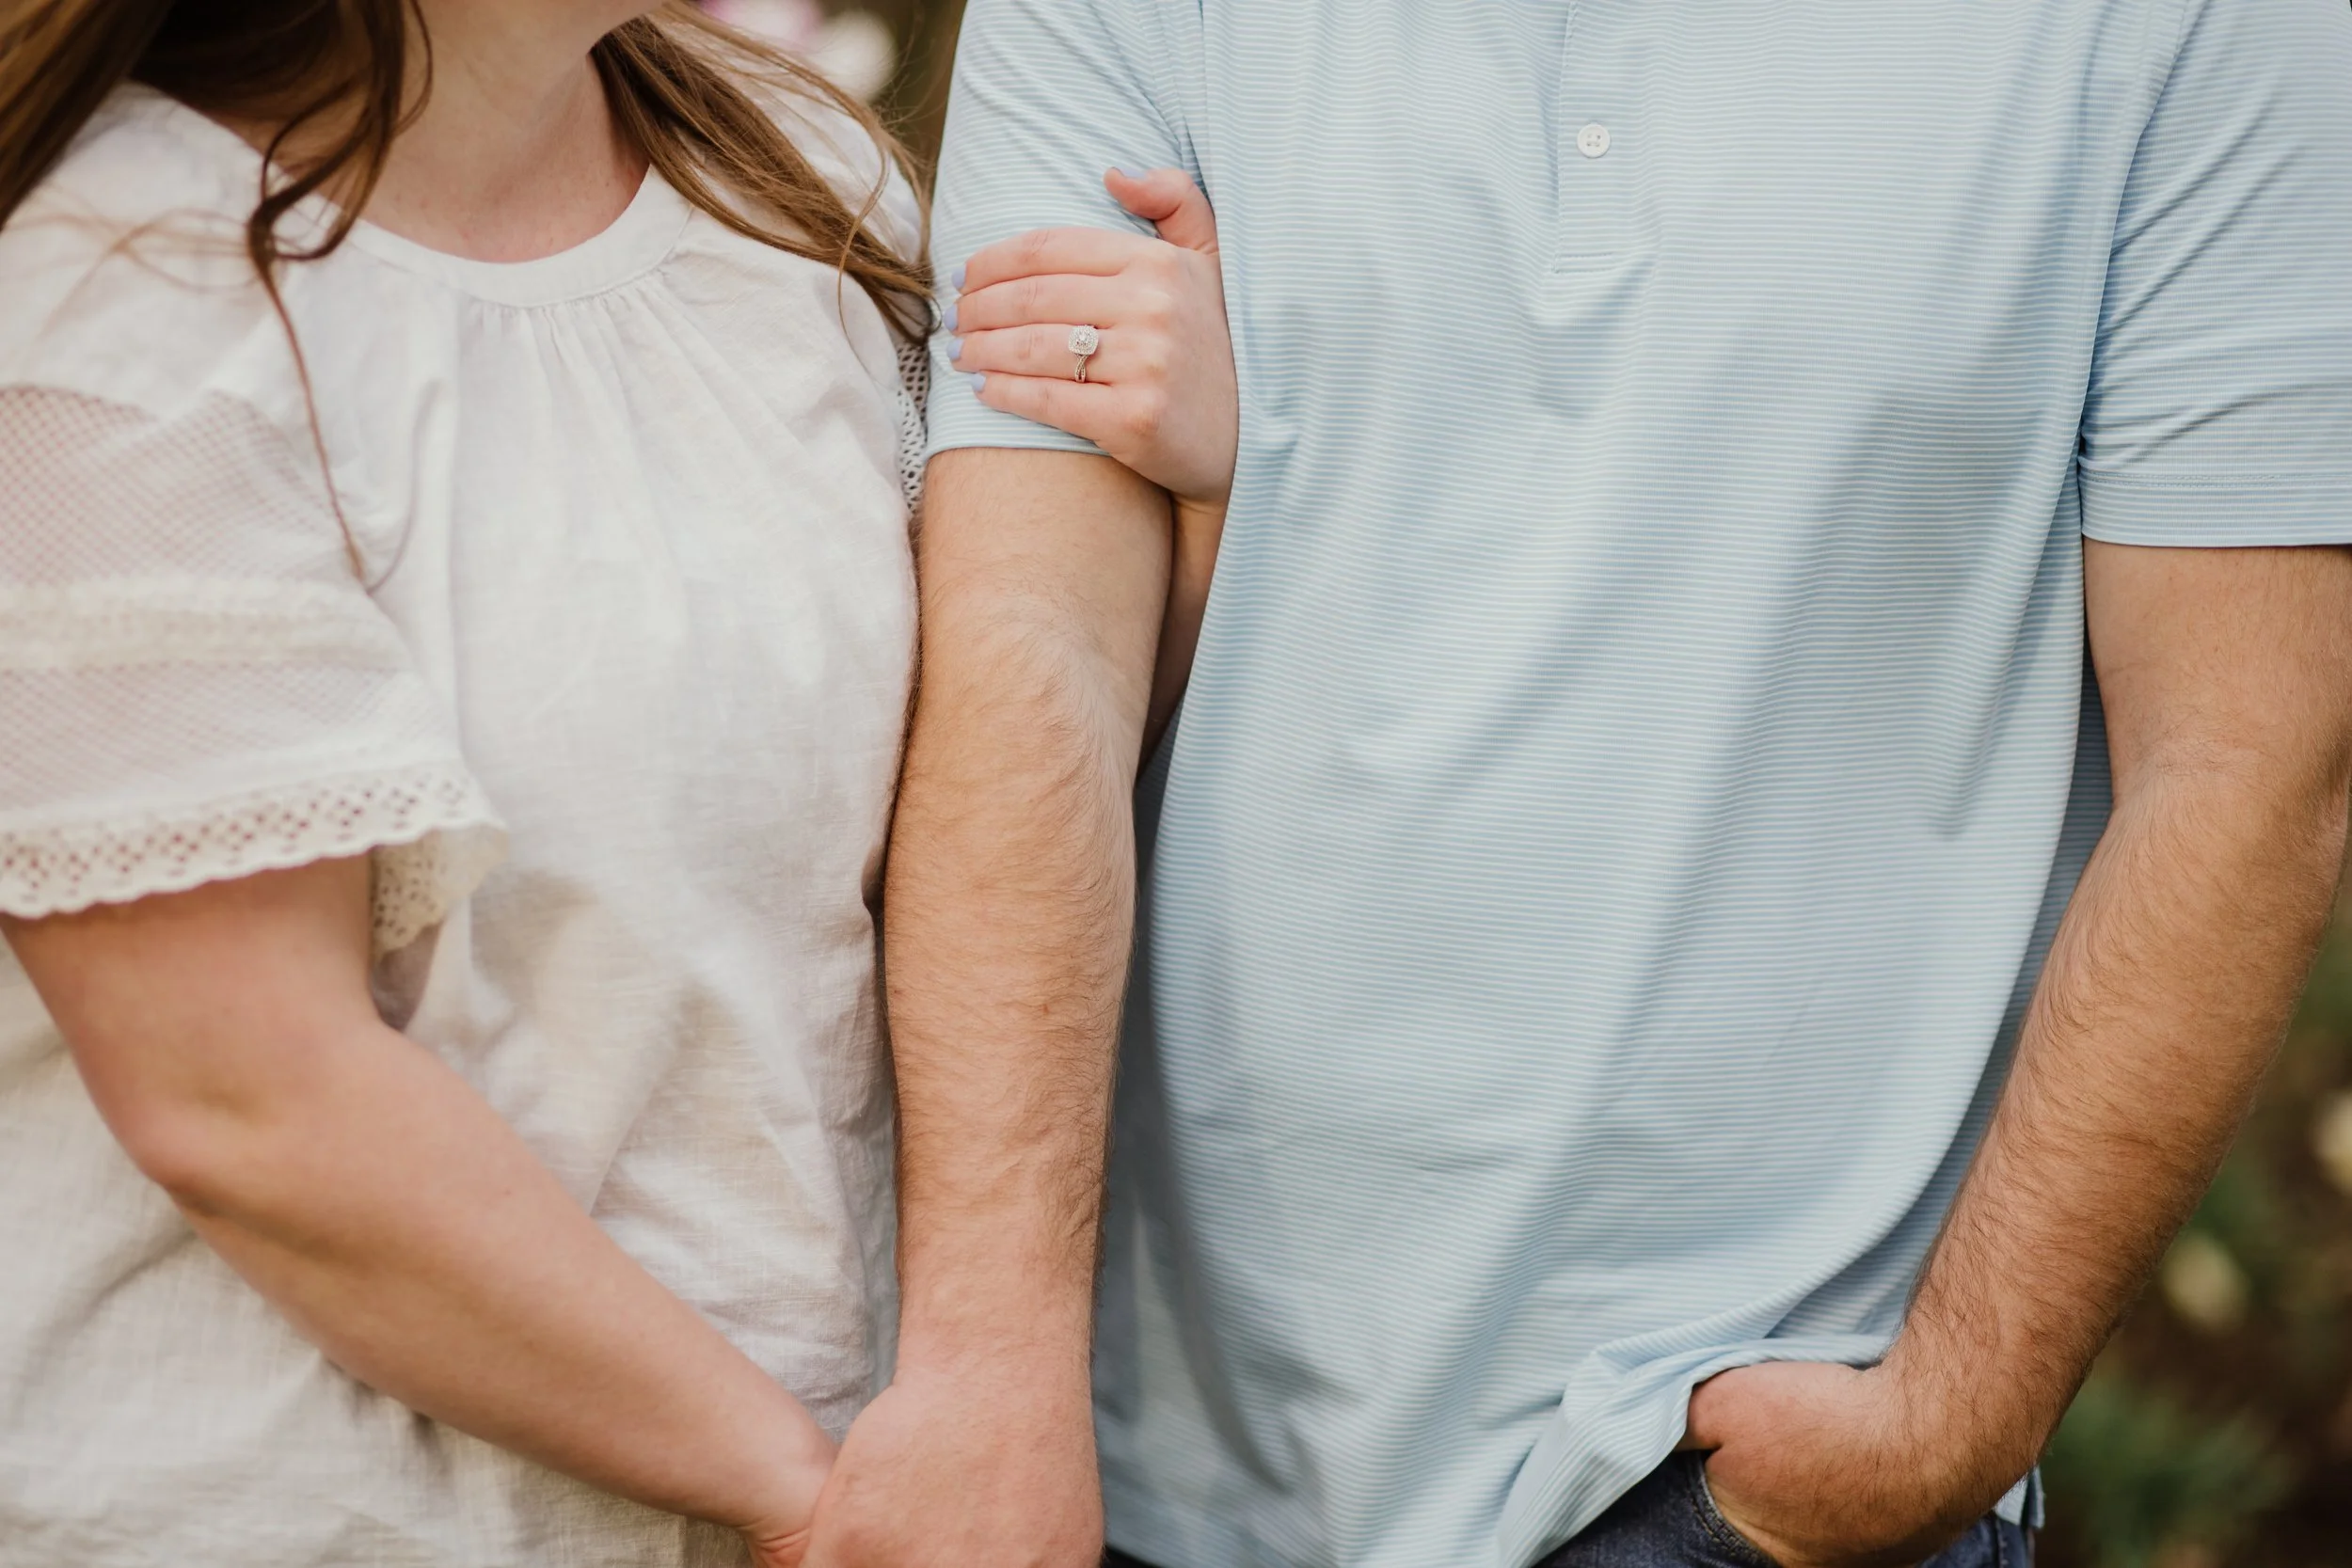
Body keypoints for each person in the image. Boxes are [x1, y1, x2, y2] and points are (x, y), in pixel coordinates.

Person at [836, 1, 2352, 1566]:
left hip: (1718, 1470)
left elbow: (2241, 766)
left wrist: (1949, 1420)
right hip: (1136, 1465)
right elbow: (1033, 656)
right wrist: (989, 1362)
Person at [0, 3, 1208, 1562]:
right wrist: (816, 1494)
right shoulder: (104, 307)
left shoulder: (789, 179)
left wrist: (1189, 495)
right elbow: (255, 1104)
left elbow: (979, 794)